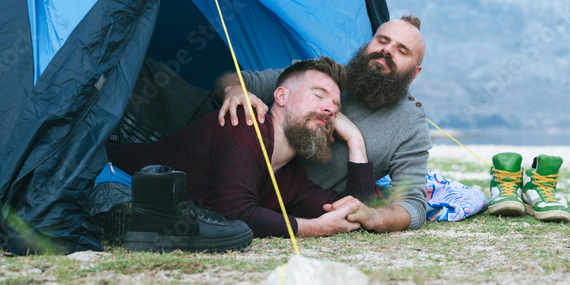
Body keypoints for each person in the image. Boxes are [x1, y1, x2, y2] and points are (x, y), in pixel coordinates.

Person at [106, 57, 373, 239]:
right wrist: (315, 227)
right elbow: (233, 213)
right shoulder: (244, 123)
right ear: (281, 96)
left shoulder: (291, 180)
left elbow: (356, 211)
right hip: (106, 172)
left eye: (336, 111)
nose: (329, 109)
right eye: (319, 96)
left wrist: (355, 140)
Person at [215, 15, 430, 233]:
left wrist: (375, 215)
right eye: (382, 41)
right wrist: (234, 90)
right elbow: (238, 79)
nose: (387, 50)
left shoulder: (410, 124)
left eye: (402, 51)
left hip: (304, 201)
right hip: (229, 180)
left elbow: (412, 205)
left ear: (415, 72)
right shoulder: (323, 76)